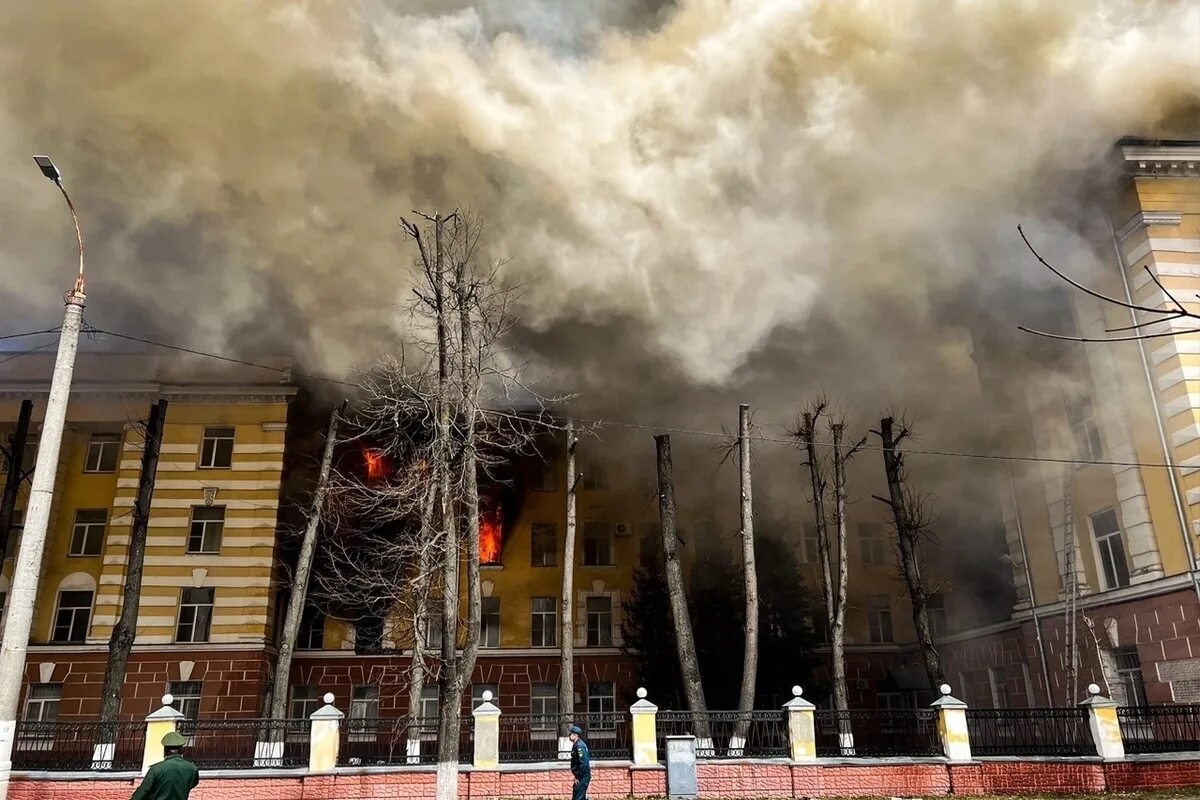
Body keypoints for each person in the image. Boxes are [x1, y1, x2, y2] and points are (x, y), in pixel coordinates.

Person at [132, 731, 200, 800]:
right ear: (182, 750)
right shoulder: (192, 769)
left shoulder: (156, 770)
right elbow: (193, 783)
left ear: (165, 750)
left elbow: (142, 793)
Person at [568, 724, 591, 800]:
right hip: (581, 776)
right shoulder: (577, 745)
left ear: (575, 735)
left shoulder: (580, 746)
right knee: (579, 796)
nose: (569, 735)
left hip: (582, 776)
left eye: (570, 734)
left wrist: (578, 776)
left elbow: (584, 763)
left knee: (578, 797)